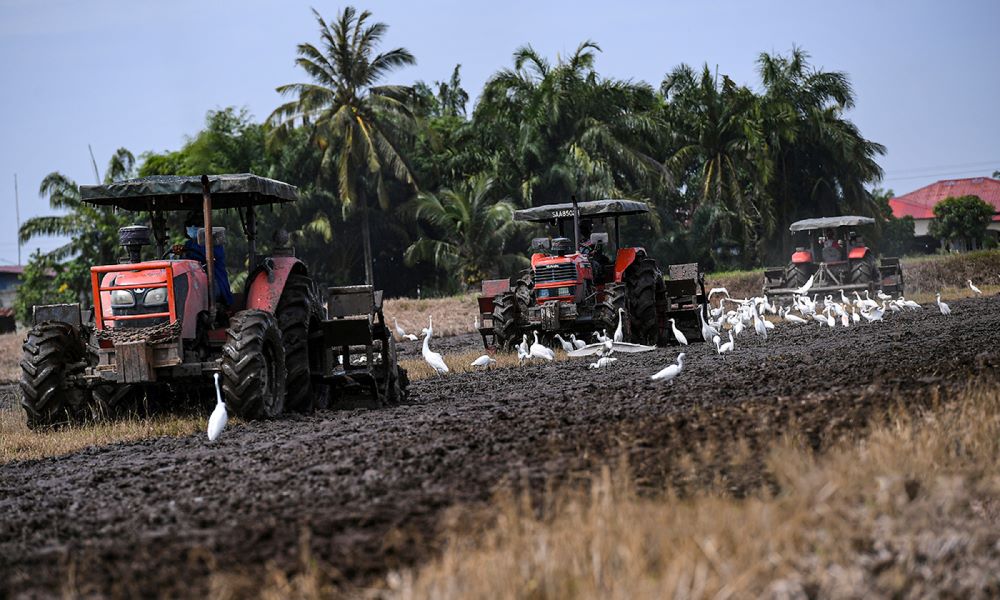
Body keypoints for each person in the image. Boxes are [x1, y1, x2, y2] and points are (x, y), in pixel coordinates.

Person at [171, 212, 234, 306]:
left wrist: (187, 250)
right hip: (192, 283)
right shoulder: (189, 244)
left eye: (196, 225)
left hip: (214, 282)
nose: (192, 227)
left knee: (201, 292)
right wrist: (180, 252)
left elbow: (207, 257)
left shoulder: (213, 243)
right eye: (189, 225)